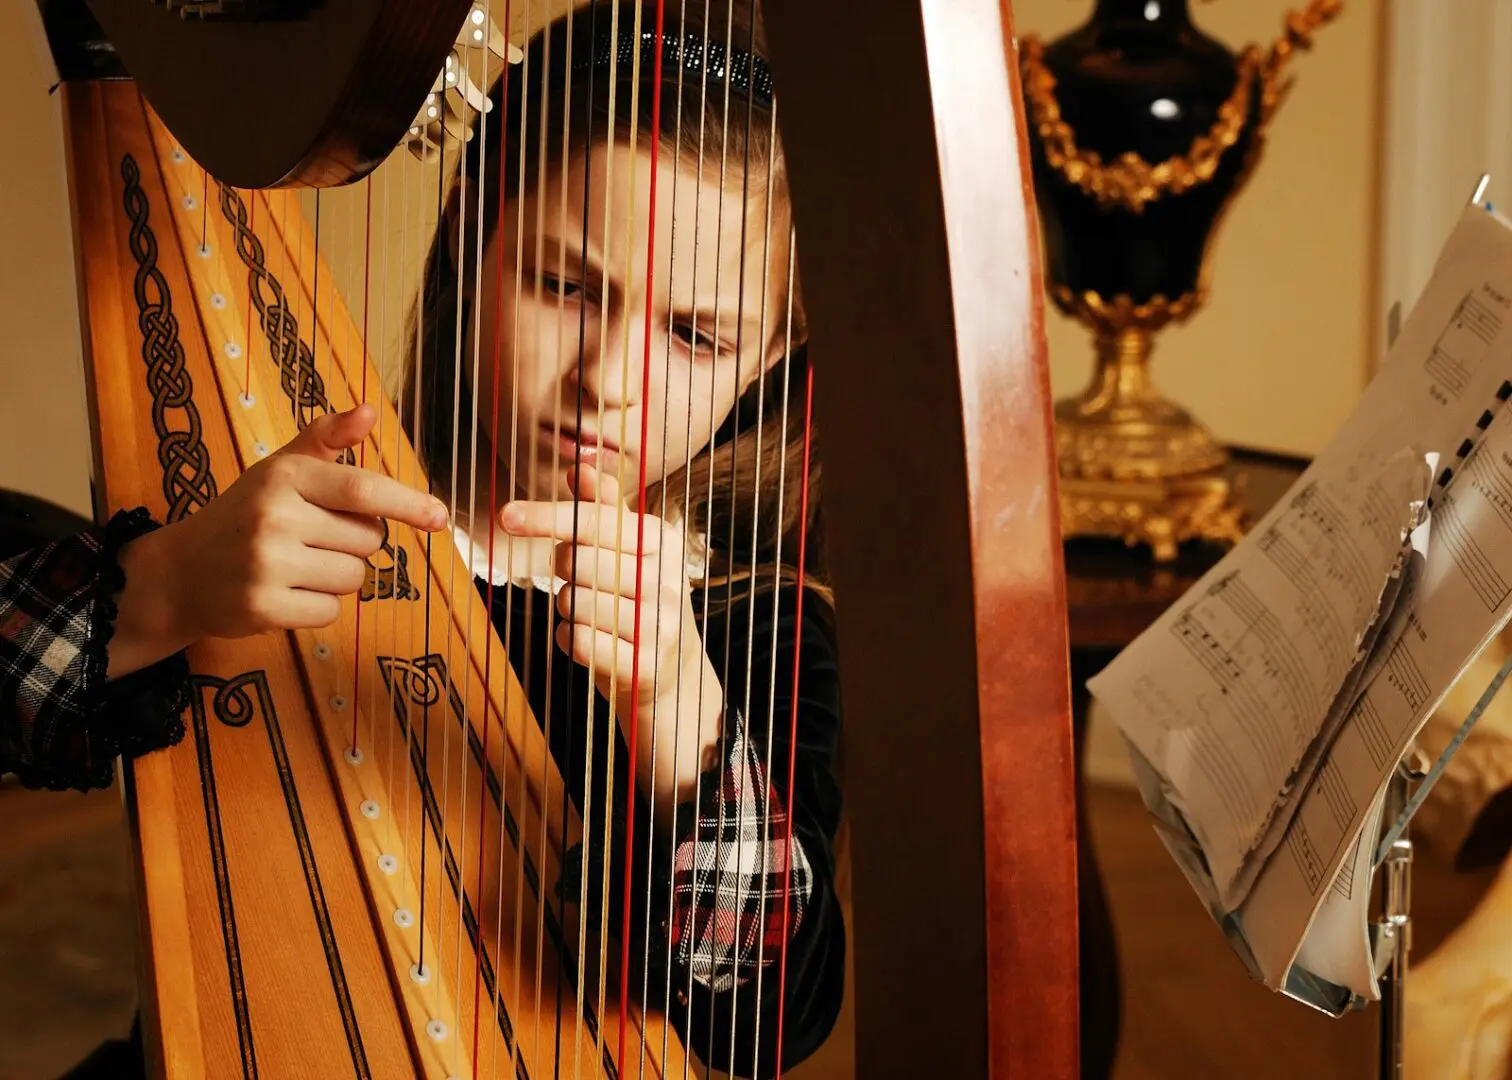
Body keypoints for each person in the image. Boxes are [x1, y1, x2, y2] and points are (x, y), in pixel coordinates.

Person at [0, 3, 845, 1078]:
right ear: (473, 232)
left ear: (769, 358)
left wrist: (678, 715)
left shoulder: (756, 630)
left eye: (694, 335)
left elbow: (778, 1015)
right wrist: (160, 591)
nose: (610, 382)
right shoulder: (278, 513)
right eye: (566, 285)